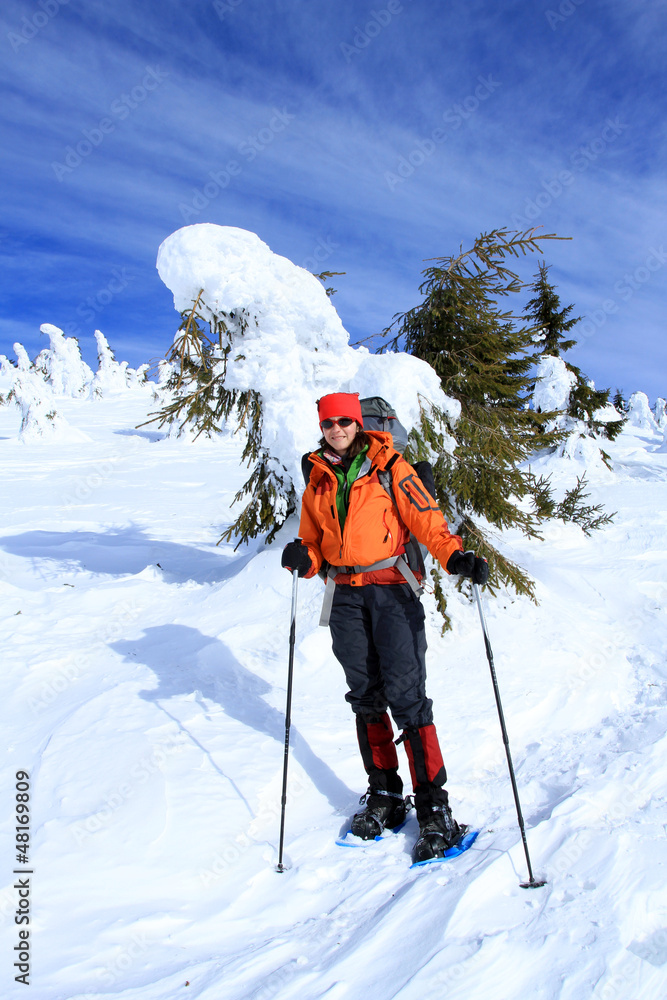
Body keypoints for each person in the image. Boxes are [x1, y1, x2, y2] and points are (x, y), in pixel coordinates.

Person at [281, 392, 488, 862]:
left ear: (358, 422)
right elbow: (314, 542)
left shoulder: (390, 465)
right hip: (345, 596)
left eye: (344, 420)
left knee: (407, 695)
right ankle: (386, 795)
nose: (336, 428)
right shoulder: (317, 476)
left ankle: (434, 807)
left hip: (392, 589)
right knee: (366, 696)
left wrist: (455, 556)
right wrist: (304, 557)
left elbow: (427, 518)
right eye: (328, 422)